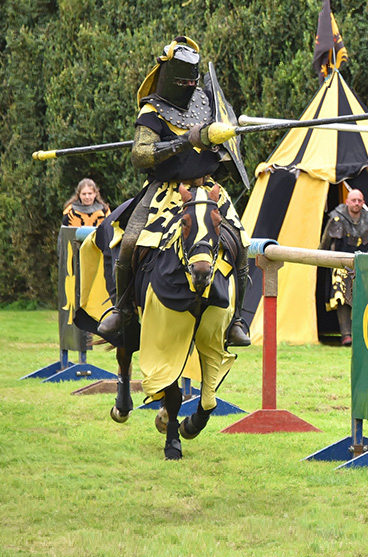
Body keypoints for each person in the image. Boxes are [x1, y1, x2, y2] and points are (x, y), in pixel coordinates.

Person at [97, 36, 251, 347]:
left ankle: (236, 320)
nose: (188, 85)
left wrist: (218, 141)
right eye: (181, 80)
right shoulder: (152, 110)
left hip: (208, 190)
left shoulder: (209, 102)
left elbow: (230, 150)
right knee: (129, 242)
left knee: (241, 242)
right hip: (164, 191)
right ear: (168, 76)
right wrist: (184, 141)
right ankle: (123, 309)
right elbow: (140, 155)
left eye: (191, 80)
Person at [318, 188, 368, 346]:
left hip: (363, 266)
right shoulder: (336, 219)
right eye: (353, 200)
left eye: (359, 200)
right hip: (340, 265)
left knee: (365, 297)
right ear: (347, 201)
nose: (356, 203)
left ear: (363, 202)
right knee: (341, 297)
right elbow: (326, 243)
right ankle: (346, 334)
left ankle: (362, 334)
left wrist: (367, 259)